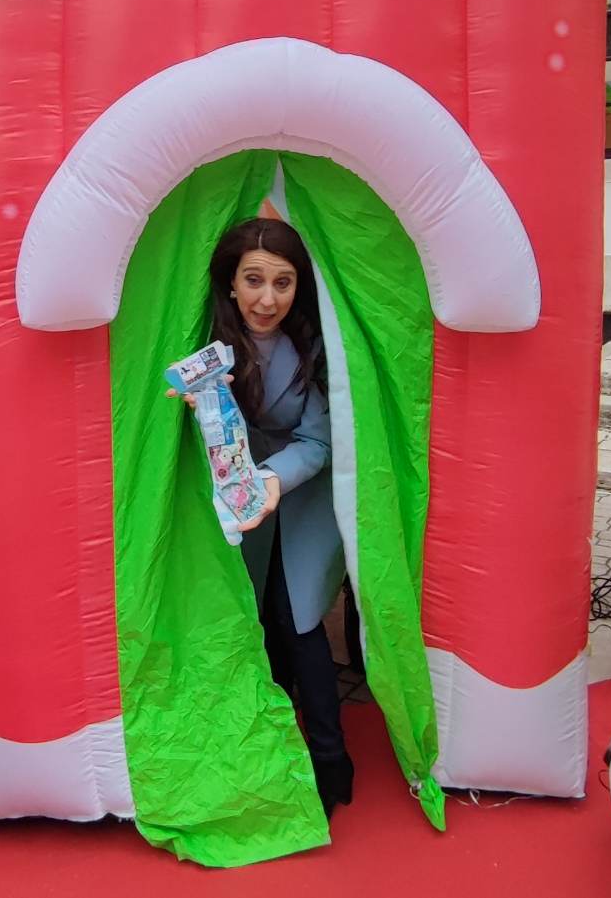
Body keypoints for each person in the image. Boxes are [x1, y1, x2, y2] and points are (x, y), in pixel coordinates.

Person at [168, 217, 353, 815]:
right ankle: (270, 747)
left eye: (283, 282)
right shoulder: (203, 342)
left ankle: (331, 762)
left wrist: (273, 478)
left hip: (301, 492)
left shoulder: (316, 347)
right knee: (250, 618)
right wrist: (201, 409)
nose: (267, 299)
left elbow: (320, 441)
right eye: (253, 280)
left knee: (300, 620)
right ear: (231, 282)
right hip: (233, 502)